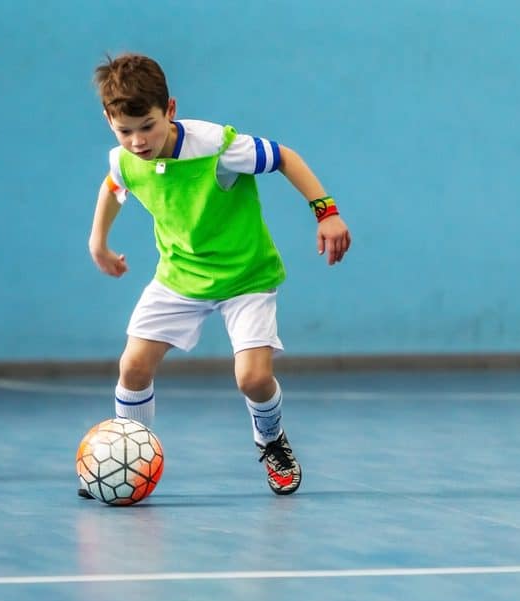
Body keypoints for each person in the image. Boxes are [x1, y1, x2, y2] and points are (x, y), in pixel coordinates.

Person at [84, 53, 350, 498]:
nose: (137, 141)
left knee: (253, 378)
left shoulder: (217, 147)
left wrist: (327, 213)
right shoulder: (125, 158)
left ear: (169, 110)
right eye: (124, 130)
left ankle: (271, 440)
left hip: (246, 277)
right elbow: (114, 185)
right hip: (179, 276)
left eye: (147, 126)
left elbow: (284, 157)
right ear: (109, 121)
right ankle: (129, 457)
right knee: (132, 366)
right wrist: (99, 242)